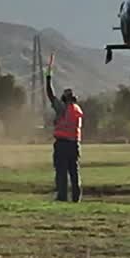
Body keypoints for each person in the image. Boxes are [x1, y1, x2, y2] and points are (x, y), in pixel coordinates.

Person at [45, 55, 84, 202]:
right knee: (74, 172)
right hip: (75, 144)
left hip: (62, 144)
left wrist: (48, 77)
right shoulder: (77, 109)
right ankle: (76, 198)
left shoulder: (62, 108)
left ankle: (62, 197)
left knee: (61, 172)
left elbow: (50, 94)